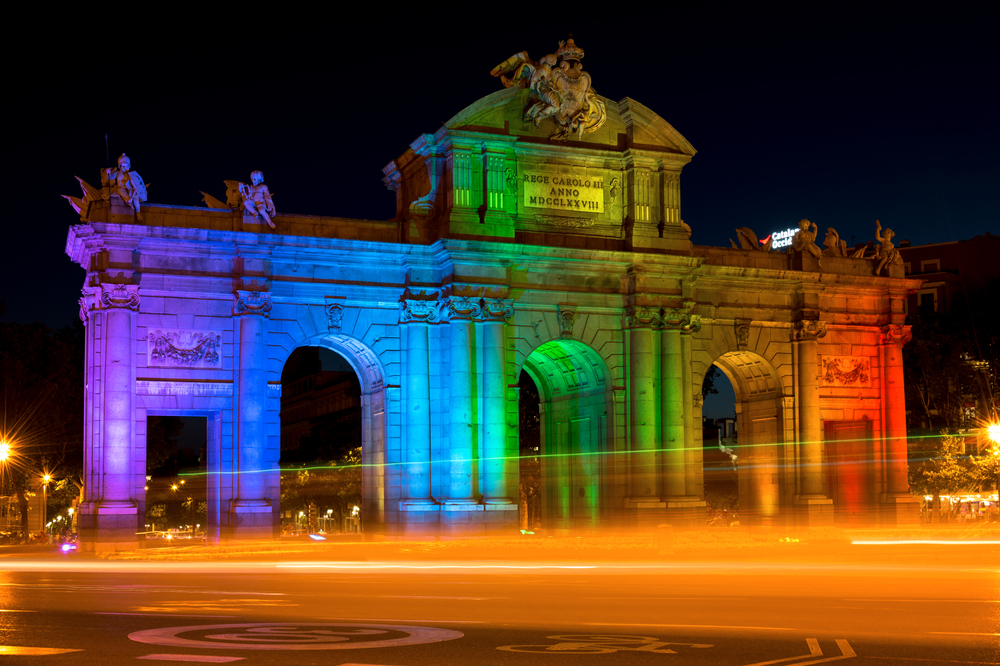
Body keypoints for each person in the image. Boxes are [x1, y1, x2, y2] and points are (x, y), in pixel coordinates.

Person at [104, 153, 148, 221]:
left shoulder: (130, 175)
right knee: (120, 190)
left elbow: (135, 184)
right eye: (123, 165)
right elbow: (110, 178)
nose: (124, 167)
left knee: (136, 198)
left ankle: (138, 212)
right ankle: (129, 200)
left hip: (130, 190)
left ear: (129, 166)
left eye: (126, 165)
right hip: (121, 190)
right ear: (120, 166)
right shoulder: (117, 173)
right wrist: (108, 172)